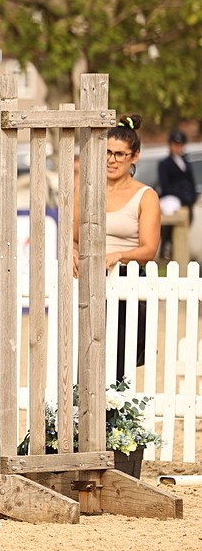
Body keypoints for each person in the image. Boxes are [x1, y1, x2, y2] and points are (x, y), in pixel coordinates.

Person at [75, 114, 161, 381]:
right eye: (108, 153)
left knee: (119, 362)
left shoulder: (145, 196)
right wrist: (72, 253)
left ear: (134, 157)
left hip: (127, 281)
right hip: (90, 281)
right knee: (84, 357)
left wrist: (118, 255)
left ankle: (116, 419)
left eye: (120, 154)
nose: (112, 160)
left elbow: (149, 250)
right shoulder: (86, 190)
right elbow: (73, 236)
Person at [157, 129, 196, 259]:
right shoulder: (164, 164)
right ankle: (166, 246)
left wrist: (191, 196)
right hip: (172, 198)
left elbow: (191, 182)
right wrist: (181, 195)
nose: (177, 147)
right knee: (170, 211)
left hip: (186, 200)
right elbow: (166, 185)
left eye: (180, 145)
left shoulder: (186, 163)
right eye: (175, 144)